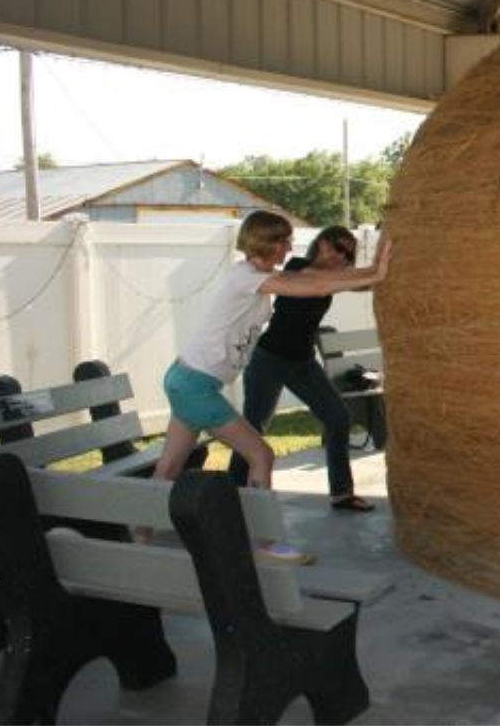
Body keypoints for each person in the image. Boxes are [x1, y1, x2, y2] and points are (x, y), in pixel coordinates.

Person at [147, 211, 391, 562]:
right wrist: (376, 271)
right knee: (260, 454)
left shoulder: (256, 276)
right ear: (268, 242)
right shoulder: (247, 277)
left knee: (169, 469)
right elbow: (315, 284)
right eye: (284, 241)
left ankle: (140, 532)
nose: (290, 247)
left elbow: (329, 280)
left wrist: (375, 273)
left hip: (186, 378)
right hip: (197, 385)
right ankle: (262, 543)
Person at [228, 226, 375, 512]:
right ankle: (232, 493)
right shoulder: (297, 268)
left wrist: (385, 270)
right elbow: (327, 280)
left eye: (348, 253)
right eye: (338, 247)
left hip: (302, 361)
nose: (343, 256)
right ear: (321, 244)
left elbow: (359, 282)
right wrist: (364, 274)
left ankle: (342, 494)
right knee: (253, 429)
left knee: (338, 418)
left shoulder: (335, 279)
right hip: (269, 359)